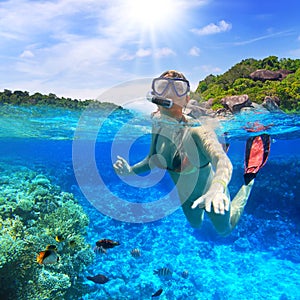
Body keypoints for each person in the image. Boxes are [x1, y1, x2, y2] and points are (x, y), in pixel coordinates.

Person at [113, 70, 267, 236]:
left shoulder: (197, 131)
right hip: (186, 198)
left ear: (186, 99)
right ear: (155, 96)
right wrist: (131, 170)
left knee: (225, 230)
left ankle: (249, 179)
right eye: (163, 87)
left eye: (178, 88)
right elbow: (152, 159)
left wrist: (218, 188)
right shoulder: (157, 125)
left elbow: (222, 161)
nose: (169, 93)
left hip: (211, 192)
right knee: (195, 224)